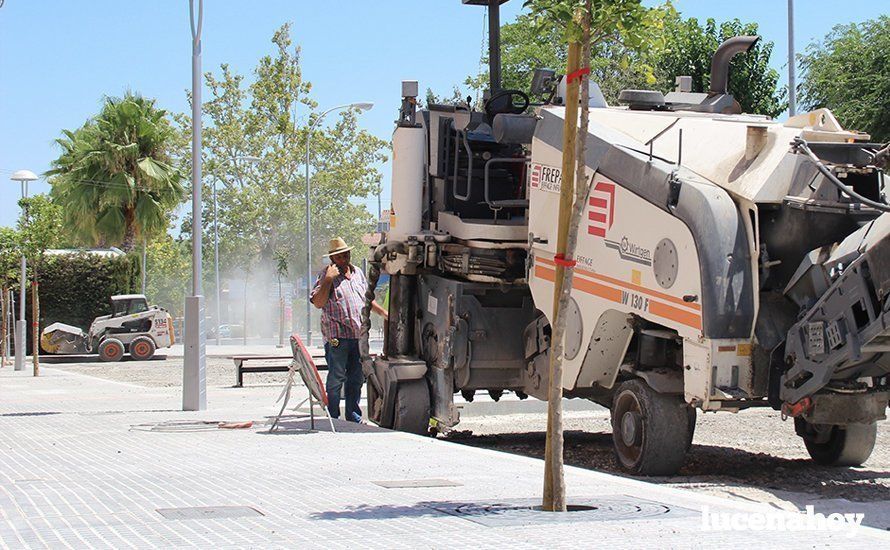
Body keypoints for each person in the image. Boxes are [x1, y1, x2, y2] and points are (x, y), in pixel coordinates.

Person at [310, 237, 387, 422]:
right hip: (337, 336)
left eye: (346, 254)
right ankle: (333, 414)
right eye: (339, 256)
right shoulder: (325, 275)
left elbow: (366, 300)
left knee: (356, 377)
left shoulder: (358, 273)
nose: (344, 258)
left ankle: (353, 413)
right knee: (337, 376)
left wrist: (384, 313)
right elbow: (318, 302)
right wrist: (328, 279)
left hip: (357, 335)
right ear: (332, 258)